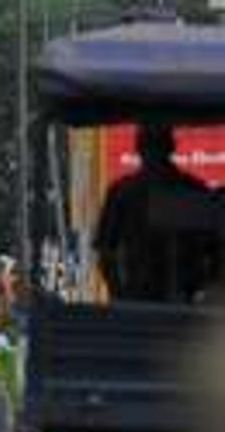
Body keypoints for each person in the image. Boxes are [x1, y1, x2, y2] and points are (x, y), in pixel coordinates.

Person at [95, 123, 222, 302]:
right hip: (164, 300)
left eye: (156, 147)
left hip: (169, 300)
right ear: (172, 146)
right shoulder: (191, 189)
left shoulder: (122, 192)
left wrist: (120, 295)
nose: (154, 156)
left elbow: (105, 254)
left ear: (138, 148)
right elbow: (105, 254)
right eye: (153, 147)